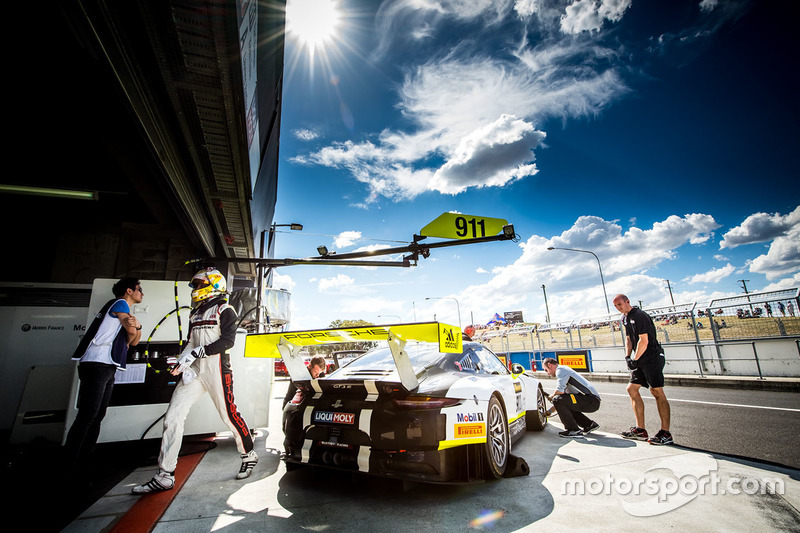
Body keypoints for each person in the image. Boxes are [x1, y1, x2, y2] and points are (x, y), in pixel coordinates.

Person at [132, 268, 257, 494]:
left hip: (217, 370)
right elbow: (190, 343)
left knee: (228, 415)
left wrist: (198, 353)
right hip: (195, 372)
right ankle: (165, 475)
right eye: (196, 285)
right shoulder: (195, 313)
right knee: (173, 417)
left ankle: (249, 454)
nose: (196, 288)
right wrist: (182, 363)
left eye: (200, 284)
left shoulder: (225, 309)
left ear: (213, 284)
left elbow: (228, 342)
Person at [64, 278, 143, 469]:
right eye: (140, 289)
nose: (142, 293)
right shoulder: (120, 303)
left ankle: (84, 458)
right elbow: (130, 333)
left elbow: (134, 341)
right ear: (129, 290)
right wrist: (135, 328)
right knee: (88, 414)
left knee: (98, 414)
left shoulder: (124, 309)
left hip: (106, 365)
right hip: (96, 363)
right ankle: (68, 461)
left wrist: (138, 327)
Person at [613, 294, 673, 445]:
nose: (618, 308)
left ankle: (665, 433)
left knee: (657, 391)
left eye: (620, 304)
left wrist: (636, 359)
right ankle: (640, 430)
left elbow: (643, 340)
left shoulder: (640, 315)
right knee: (632, 389)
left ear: (627, 302)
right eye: (616, 306)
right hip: (639, 359)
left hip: (652, 357)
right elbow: (628, 339)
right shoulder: (624, 318)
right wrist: (627, 357)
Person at [542, 357, 601, 438]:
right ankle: (589, 425)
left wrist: (552, 396)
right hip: (591, 400)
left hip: (591, 400)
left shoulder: (561, 370)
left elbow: (559, 392)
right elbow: (562, 402)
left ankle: (573, 430)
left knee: (557, 399)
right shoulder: (564, 372)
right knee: (563, 401)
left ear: (549, 365)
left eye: (546, 370)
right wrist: (549, 412)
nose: (547, 373)